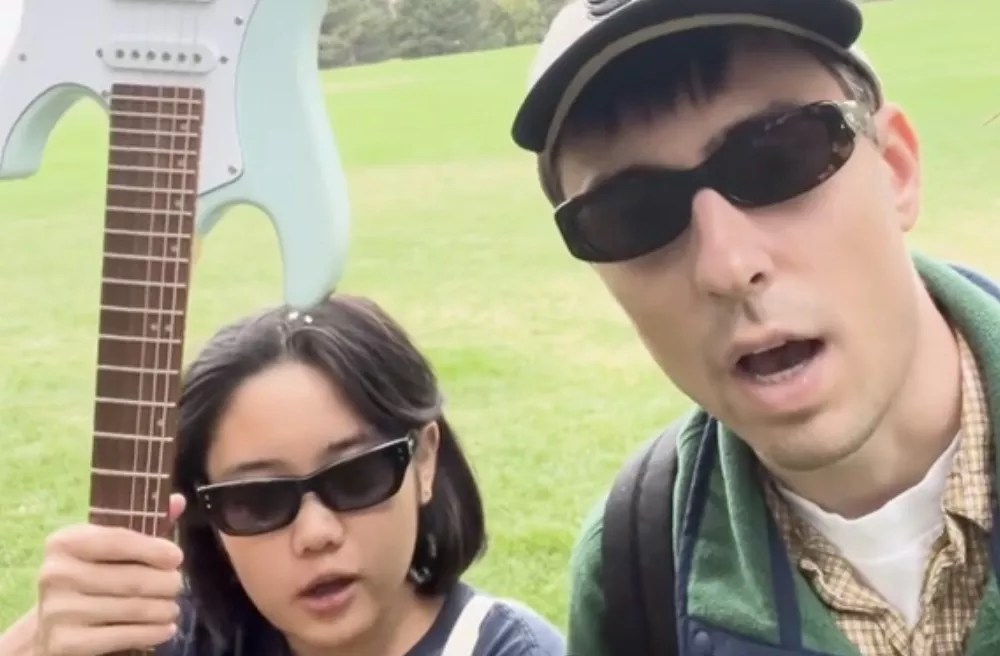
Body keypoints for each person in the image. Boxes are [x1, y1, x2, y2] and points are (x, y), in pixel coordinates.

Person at [509, 0, 1000, 655]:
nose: (727, 265)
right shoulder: (633, 567)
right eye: (632, 214)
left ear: (896, 170)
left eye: (777, 158)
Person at [0, 295, 566, 656]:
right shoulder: (168, 638)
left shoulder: (501, 649)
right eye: (256, 501)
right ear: (206, 518)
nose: (316, 532)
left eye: (357, 476)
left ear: (423, 460)